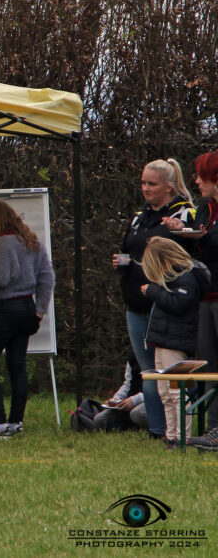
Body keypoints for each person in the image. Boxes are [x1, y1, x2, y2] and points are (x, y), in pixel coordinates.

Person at [113, 158, 195, 438]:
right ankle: (157, 429)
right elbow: (128, 249)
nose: (145, 189)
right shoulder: (139, 217)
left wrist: (179, 232)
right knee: (147, 370)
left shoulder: (185, 215)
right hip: (135, 306)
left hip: (166, 306)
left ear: (169, 187)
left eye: (152, 184)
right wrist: (122, 262)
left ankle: (172, 430)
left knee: (167, 371)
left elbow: (189, 259)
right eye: (143, 183)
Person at [0, 198, 55, 438]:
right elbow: (47, 277)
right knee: (17, 366)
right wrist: (39, 310)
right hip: (27, 308)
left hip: (5, 310)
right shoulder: (30, 239)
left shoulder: (4, 243)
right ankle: (16, 422)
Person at [162, 150, 218, 447]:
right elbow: (202, 247)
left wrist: (202, 237)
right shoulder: (206, 209)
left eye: (200, 175)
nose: (196, 181)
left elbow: (211, 242)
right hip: (205, 296)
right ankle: (213, 428)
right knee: (209, 366)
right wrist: (181, 233)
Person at [140, 236, 209, 448]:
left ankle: (182, 436)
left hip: (176, 343)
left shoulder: (187, 279)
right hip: (162, 341)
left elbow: (178, 304)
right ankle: (170, 434)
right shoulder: (174, 280)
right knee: (164, 392)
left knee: (177, 392)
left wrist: (152, 291)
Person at [93, 351, 148, 431]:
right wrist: (115, 400)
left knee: (137, 413)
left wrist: (136, 399)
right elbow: (127, 384)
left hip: (152, 403)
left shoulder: (160, 355)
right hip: (129, 405)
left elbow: (161, 391)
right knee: (100, 419)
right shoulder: (133, 356)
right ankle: (134, 426)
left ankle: (156, 430)